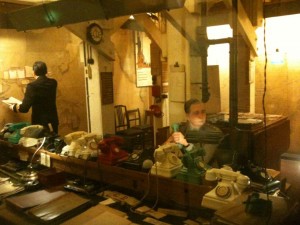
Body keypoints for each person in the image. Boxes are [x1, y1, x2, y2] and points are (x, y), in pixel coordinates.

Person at [165, 98, 224, 166]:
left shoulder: (213, 133)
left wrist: (186, 144)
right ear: (188, 116)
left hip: (206, 173)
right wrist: (170, 142)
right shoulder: (181, 129)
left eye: (203, 112)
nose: (201, 116)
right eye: (196, 113)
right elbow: (163, 153)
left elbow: (201, 162)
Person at [9, 61, 59, 134]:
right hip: (53, 121)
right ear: (45, 71)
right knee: (53, 142)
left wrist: (14, 107)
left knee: (41, 144)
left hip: (40, 124)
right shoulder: (53, 82)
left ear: (34, 72)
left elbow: (24, 109)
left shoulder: (32, 86)